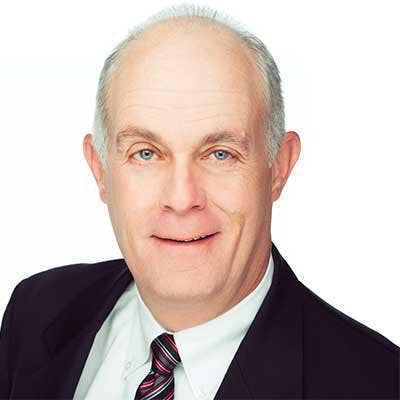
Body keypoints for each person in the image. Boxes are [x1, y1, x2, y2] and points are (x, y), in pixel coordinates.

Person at [0, 4, 398, 400]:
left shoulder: (379, 384)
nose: (181, 199)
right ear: (100, 169)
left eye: (220, 154)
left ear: (279, 166)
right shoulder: (35, 312)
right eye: (146, 153)